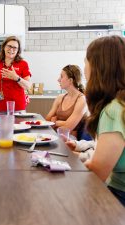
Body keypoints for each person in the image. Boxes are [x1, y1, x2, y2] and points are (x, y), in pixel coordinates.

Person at [83, 35, 125, 206]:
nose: (84, 67)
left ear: (99, 67)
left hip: (120, 193)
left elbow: (97, 171)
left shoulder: (114, 110)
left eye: (86, 61)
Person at [45, 65, 88, 139]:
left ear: (70, 80)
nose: (58, 79)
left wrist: (55, 122)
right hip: (55, 134)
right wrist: (63, 123)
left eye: (61, 77)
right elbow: (47, 120)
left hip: (70, 138)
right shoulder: (60, 97)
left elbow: (67, 128)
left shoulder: (81, 100)